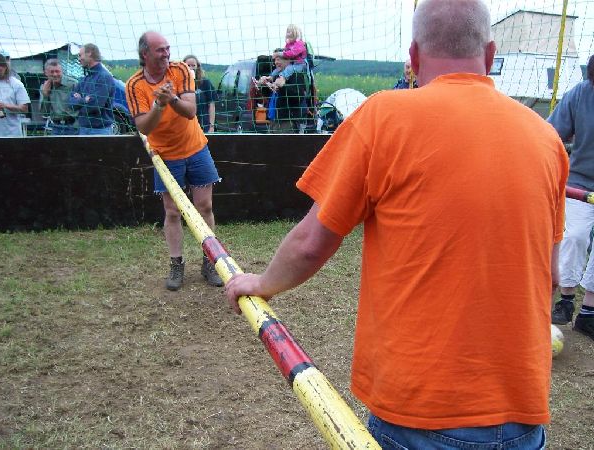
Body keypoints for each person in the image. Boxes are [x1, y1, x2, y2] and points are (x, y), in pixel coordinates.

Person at [225, 0, 568, 448]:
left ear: (413, 56)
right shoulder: (546, 138)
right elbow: (554, 273)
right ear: (489, 55)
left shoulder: (383, 117)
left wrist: (261, 282)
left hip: (420, 412)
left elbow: (312, 242)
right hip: (522, 412)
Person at [126, 31, 223, 290]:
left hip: (196, 148)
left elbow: (190, 112)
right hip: (165, 156)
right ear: (145, 54)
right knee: (172, 211)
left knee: (205, 206)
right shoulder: (134, 86)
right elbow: (144, 127)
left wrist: (173, 99)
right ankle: (176, 264)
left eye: (168, 48)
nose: (166, 54)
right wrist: (159, 104)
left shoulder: (181, 70)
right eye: (160, 50)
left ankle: (209, 261)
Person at [548, 54, 594, 340]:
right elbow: (551, 134)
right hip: (580, 181)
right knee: (575, 235)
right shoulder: (580, 94)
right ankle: (565, 300)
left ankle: (588, 313)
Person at [69, 43, 115, 135]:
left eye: (80, 55)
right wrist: (84, 100)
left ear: (89, 53)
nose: (79, 59)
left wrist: (79, 103)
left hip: (100, 131)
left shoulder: (104, 77)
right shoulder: (84, 79)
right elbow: (70, 103)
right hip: (83, 130)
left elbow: (94, 106)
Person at [259, 53, 307, 133]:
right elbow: (269, 95)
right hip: (273, 121)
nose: (276, 62)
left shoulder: (295, 75)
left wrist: (283, 86)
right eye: (274, 60)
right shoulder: (276, 76)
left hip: (287, 122)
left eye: (278, 59)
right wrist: (263, 85)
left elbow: (299, 96)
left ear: (288, 60)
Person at [258, 24, 307, 89]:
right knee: (277, 70)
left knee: (288, 69)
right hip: (293, 64)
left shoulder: (300, 44)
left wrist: (279, 54)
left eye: (290, 32)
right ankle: (270, 78)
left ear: (296, 34)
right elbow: (285, 52)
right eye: (287, 32)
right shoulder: (289, 44)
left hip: (300, 65)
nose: (288, 34)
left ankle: (280, 81)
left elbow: (291, 53)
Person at [0, 52, 30, 137]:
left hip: (12, 134)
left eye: (0, 68)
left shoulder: (16, 84)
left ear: (6, 67)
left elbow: (25, 109)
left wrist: (5, 106)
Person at [39, 58, 79, 135]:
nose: (55, 74)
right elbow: (44, 113)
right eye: (52, 72)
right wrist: (45, 95)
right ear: (46, 73)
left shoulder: (73, 84)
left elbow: (81, 106)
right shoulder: (44, 87)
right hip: (56, 127)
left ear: (62, 71)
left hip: (73, 126)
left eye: (57, 71)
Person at [183, 55, 218, 133]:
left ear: (197, 67)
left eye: (193, 65)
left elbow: (211, 104)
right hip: (185, 127)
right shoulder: (180, 83)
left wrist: (211, 126)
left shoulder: (205, 82)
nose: (191, 68)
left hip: (203, 126)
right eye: (188, 65)